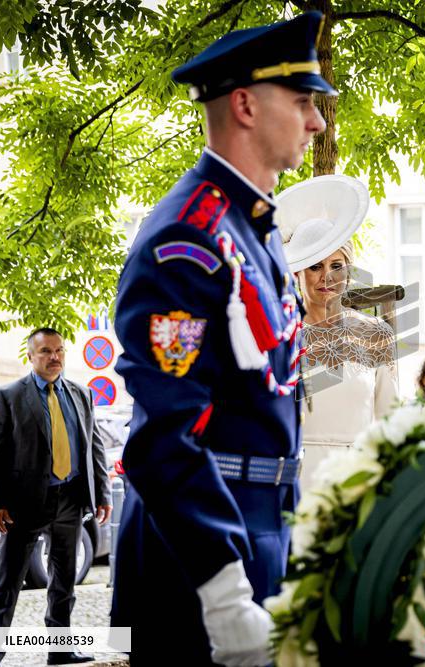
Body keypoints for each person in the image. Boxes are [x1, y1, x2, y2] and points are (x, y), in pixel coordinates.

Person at [110, 11, 333, 665]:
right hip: (200, 563)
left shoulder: (253, 228)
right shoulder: (189, 239)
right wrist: (223, 588)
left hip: (259, 535)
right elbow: (163, 438)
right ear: (244, 105)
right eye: (302, 102)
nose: (317, 122)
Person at [0, 328, 111, 667]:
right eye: (45, 352)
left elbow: (93, 447)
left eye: (59, 350)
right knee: (8, 581)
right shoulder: (8, 395)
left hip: (71, 498)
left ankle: (60, 649)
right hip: (24, 504)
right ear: (30, 356)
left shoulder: (81, 394)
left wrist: (102, 492)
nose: (54, 357)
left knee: (64, 580)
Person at [276, 175, 397, 487]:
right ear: (298, 272)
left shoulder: (377, 334)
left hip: (355, 482)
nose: (326, 277)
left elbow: (390, 422)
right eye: (315, 266)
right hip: (294, 480)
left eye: (336, 266)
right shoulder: (280, 335)